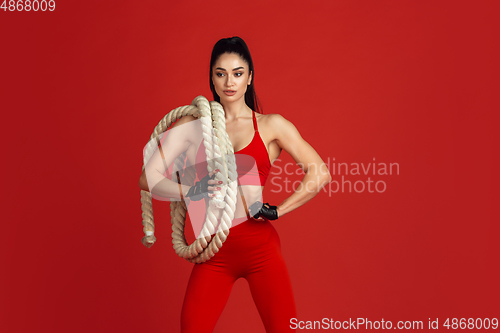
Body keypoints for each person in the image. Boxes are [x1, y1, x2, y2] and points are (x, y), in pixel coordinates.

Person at [139, 36, 331, 332]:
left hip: (260, 250)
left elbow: (319, 173)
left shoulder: (270, 125)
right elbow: (147, 179)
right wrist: (192, 189)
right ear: (212, 79)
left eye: (238, 73)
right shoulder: (192, 127)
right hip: (214, 254)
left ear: (250, 77)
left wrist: (278, 210)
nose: (229, 82)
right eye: (221, 73)